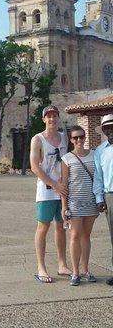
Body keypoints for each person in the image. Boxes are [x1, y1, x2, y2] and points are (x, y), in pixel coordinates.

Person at [30, 105, 71, 283]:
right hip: (46, 190)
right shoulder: (38, 139)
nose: (52, 119)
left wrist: (64, 184)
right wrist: (53, 184)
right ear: (44, 119)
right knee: (43, 227)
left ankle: (62, 264)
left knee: (61, 226)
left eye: (55, 116)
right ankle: (41, 267)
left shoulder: (64, 137)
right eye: (49, 116)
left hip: (62, 189)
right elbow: (34, 167)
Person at [61, 125, 98, 286]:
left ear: (85, 137)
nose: (79, 140)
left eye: (81, 137)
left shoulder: (94, 155)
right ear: (71, 140)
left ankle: (85, 269)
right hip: (75, 203)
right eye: (75, 138)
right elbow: (64, 184)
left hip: (91, 201)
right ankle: (75, 272)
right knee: (75, 235)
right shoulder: (67, 158)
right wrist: (64, 206)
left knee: (86, 236)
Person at [93, 113, 113, 285]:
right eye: (107, 128)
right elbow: (98, 177)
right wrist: (99, 198)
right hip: (111, 196)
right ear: (104, 131)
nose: (110, 130)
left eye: (112, 126)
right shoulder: (100, 151)